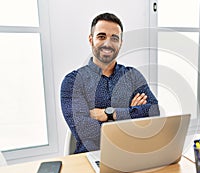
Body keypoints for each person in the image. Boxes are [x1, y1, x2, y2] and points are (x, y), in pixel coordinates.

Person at [60, 13, 160, 153]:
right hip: (92, 158)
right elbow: (85, 131)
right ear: (91, 40)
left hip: (133, 154)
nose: (108, 43)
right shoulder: (73, 81)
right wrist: (131, 117)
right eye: (101, 36)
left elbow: (154, 113)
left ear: (120, 43)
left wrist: (109, 114)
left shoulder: (132, 75)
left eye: (114, 38)